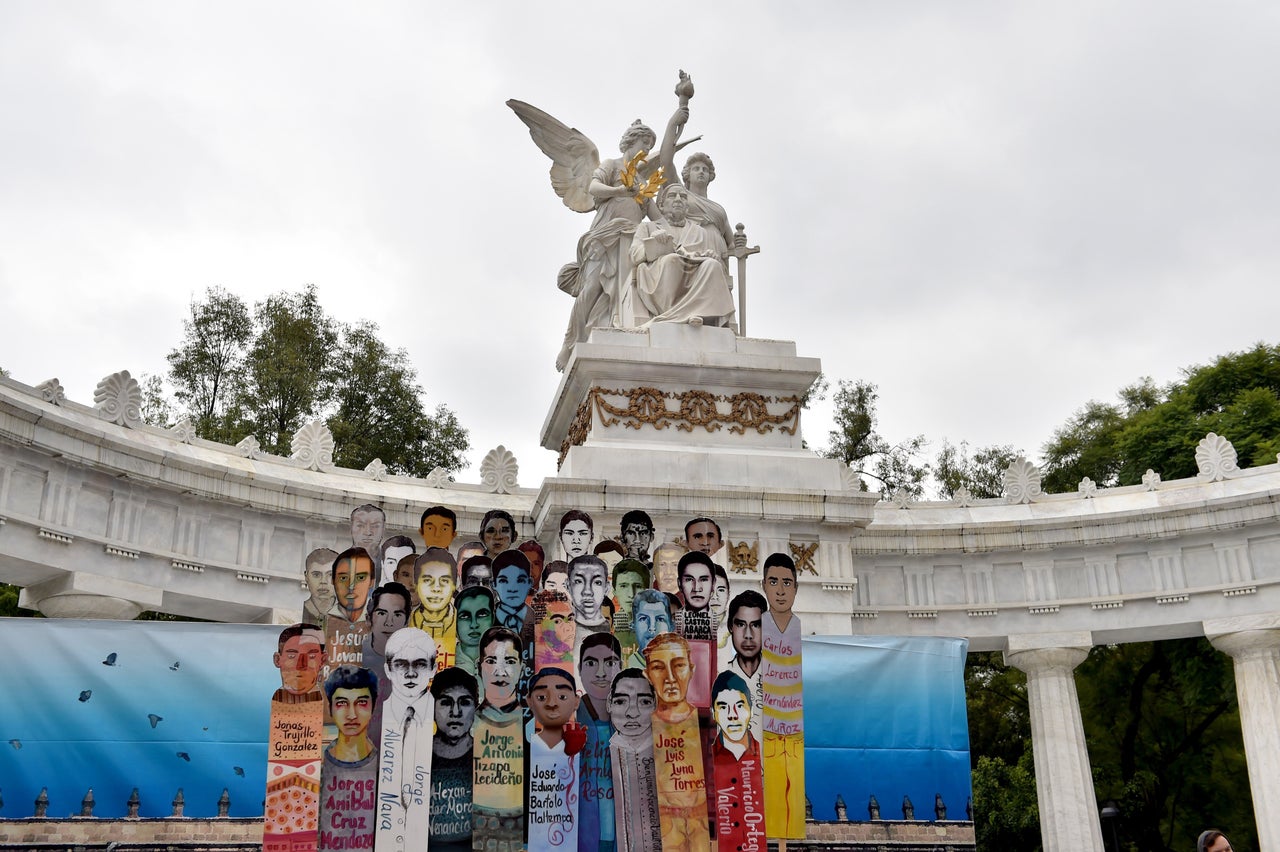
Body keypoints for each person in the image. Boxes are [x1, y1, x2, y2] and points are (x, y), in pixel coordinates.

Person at [553, 120, 662, 372]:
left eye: (651, 146)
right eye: (644, 143)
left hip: (632, 240)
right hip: (605, 236)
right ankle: (569, 343)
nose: (647, 150)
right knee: (591, 289)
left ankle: (618, 327)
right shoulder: (611, 165)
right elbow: (593, 188)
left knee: (627, 289)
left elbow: (658, 218)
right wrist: (621, 191)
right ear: (630, 141)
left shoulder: (643, 183)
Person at [630, 184, 735, 329]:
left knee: (713, 265)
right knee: (671, 260)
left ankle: (698, 313)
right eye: (673, 196)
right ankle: (673, 315)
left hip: (692, 272)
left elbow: (702, 255)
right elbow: (634, 254)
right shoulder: (648, 227)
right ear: (661, 205)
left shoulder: (699, 231)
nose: (678, 199)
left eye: (683, 197)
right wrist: (653, 241)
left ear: (687, 207)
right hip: (659, 273)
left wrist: (710, 255)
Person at [644, 632, 710, 852]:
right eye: (658, 667)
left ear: (691, 670)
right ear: (647, 675)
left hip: (701, 823)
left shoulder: (704, 723)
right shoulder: (645, 727)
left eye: (678, 665)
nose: (670, 678)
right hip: (665, 828)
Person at [377, 628, 437, 852]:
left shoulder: (441, 717)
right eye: (401, 664)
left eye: (420, 664)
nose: (410, 673)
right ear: (388, 670)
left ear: (434, 668)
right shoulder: (376, 716)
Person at [760, 552, 805, 839]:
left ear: (796, 588)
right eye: (773, 582)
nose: (780, 590)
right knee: (772, 799)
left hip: (797, 729)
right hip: (767, 728)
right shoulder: (756, 627)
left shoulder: (803, 630)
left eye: (787, 583)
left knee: (797, 800)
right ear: (763, 585)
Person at [472, 627, 525, 852]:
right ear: (479, 667)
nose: (500, 671)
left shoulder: (532, 724)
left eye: (510, 661)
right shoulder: (468, 723)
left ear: (521, 668)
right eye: (492, 660)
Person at [319, 666, 378, 852]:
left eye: (361, 703)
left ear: (373, 707)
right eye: (342, 703)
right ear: (330, 708)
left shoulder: (386, 763)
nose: (352, 715)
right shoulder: (318, 764)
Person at [527, 667, 584, 851]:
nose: (552, 703)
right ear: (529, 701)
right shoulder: (525, 750)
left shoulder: (582, 750)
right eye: (542, 697)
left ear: (576, 701)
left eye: (562, 697)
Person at [709, 670, 764, 852]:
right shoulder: (706, 759)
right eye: (723, 707)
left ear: (751, 710)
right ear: (713, 713)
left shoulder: (765, 758)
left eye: (739, 706)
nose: (732, 715)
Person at [608, 670, 661, 852]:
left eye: (644, 702)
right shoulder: (608, 748)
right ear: (609, 704)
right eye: (621, 701)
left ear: (655, 704)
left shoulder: (665, 750)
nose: (632, 713)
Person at [577, 633, 621, 852]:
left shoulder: (632, 721)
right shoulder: (569, 719)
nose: (601, 673)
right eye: (591, 663)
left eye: (610, 663)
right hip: (581, 834)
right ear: (579, 669)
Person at [429, 667, 479, 852]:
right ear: (432, 706)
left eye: (465, 703)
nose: (455, 712)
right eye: (446, 703)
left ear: (476, 707)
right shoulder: (418, 754)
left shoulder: (486, 756)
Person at [724, 590, 766, 742]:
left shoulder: (779, 677)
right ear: (730, 627)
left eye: (756, 625)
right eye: (741, 624)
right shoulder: (720, 678)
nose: (748, 634)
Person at [325, 548, 375, 670]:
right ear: (333, 581)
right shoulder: (322, 622)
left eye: (360, 577)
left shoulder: (380, 623)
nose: (351, 586)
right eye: (343, 578)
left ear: (372, 582)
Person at [410, 548, 457, 670]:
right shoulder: (404, 624)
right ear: (416, 584)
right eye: (427, 580)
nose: (436, 588)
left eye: (444, 581)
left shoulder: (463, 625)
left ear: (454, 586)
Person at [360, 582, 411, 684]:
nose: (389, 623)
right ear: (368, 619)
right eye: (382, 613)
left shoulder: (415, 656)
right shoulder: (355, 654)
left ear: (407, 621)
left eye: (397, 615)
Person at [272, 623, 325, 703]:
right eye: (291, 656)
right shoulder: (277, 699)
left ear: (322, 660)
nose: (301, 665)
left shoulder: (327, 703)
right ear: (277, 660)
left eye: (311, 656)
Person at [454, 585, 497, 676]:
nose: (474, 624)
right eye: (465, 616)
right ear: (455, 621)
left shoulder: (507, 659)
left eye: (482, 615)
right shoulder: (443, 660)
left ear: (493, 618)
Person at [628, 589, 673, 668]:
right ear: (633, 625)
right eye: (643, 618)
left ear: (671, 626)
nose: (652, 628)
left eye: (660, 619)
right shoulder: (626, 666)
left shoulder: (680, 667)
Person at [492, 549, 533, 631]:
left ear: (529, 583)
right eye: (503, 581)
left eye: (520, 580)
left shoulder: (540, 619)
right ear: (493, 584)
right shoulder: (485, 620)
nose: (512, 589)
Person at [302, 548, 338, 627]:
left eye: (330, 575)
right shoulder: (296, 611)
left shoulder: (348, 615)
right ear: (306, 577)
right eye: (316, 575)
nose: (323, 581)